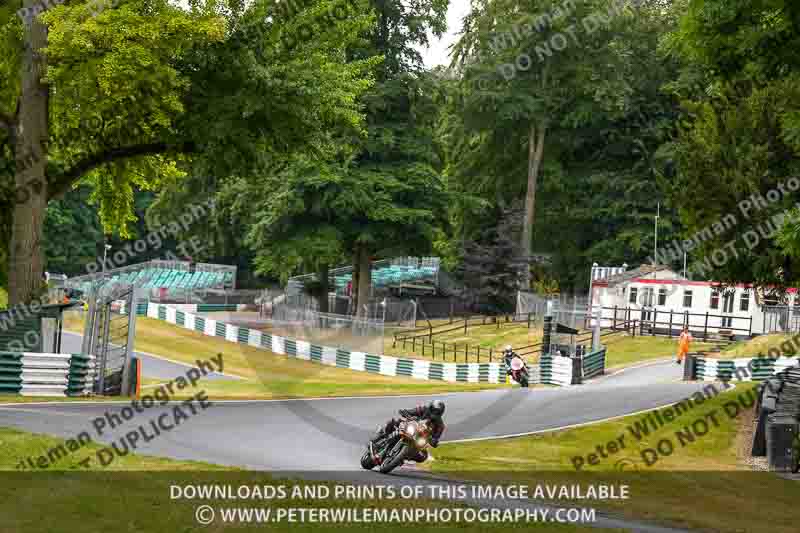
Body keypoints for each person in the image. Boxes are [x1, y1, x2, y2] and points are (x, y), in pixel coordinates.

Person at [371, 400, 446, 464]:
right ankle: (380, 436)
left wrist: (433, 441)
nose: (435, 413)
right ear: (430, 408)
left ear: (441, 413)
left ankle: (403, 457)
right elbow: (412, 411)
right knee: (394, 422)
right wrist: (405, 412)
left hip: (419, 440)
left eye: (437, 412)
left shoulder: (440, 426)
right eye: (434, 410)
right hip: (410, 428)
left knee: (424, 456)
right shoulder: (423, 409)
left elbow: (436, 438)